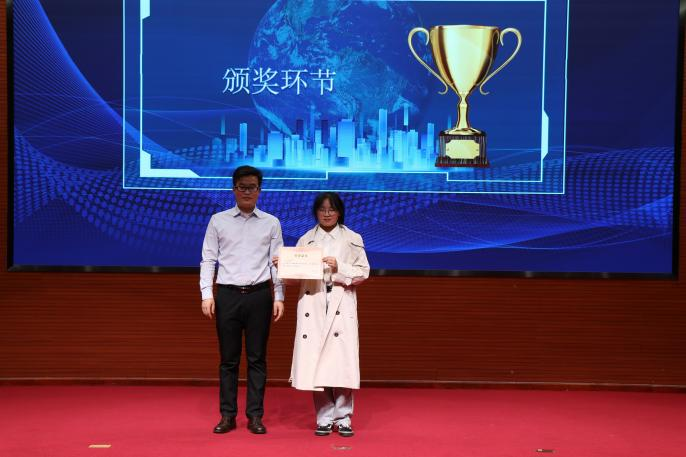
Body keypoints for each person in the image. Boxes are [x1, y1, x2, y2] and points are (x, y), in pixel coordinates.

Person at [275, 192, 369, 437]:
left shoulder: (352, 238)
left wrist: (340, 268)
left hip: (340, 303)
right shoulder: (306, 240)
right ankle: (324, 417)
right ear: (316, 212)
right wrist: (283, 267)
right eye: (322, 209)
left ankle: (344, 417)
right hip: (313, 304)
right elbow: (294, 280)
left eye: (332, 209)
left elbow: (363, 272)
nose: (327, 214)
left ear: (339, 212)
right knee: (317, 364)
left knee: (341, 364)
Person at [200, 165, 285, 435]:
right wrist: (207, 294)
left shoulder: (271, 222)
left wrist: (279, 295)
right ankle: (227, 415)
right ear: (233, 189)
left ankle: (255, 416)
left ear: (260, 190)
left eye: (252, 187)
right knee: (229, 360)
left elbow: (276, 263)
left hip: (259, 295)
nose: (247, 192)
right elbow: (208, 259)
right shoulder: (218, 220)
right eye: (242, 187)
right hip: (227, 295)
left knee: (257, 358)